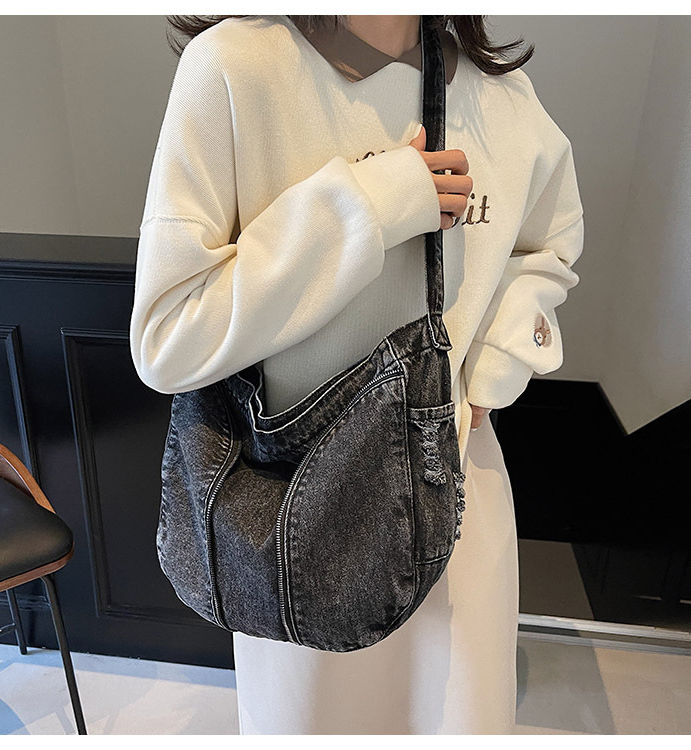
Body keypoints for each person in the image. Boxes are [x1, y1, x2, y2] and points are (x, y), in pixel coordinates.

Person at [129, 14, 584, 734]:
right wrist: (371, 204)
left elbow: (549, 245)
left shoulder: (502, 98)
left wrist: (494, 369)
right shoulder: (235, 70)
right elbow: (168, 335)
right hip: (296, 512)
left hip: (460, 498)